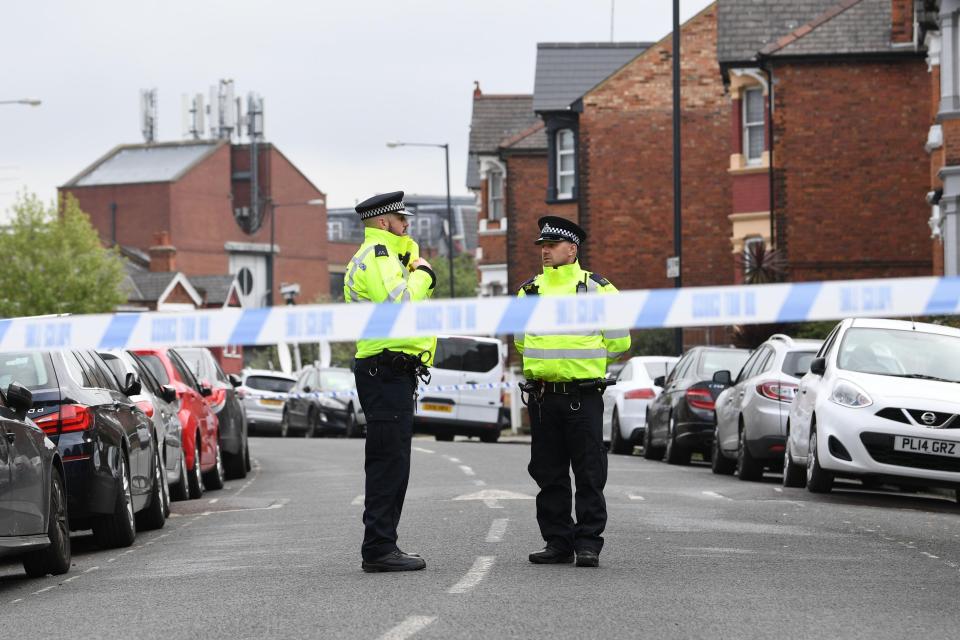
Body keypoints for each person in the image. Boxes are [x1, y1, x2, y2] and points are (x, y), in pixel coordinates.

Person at [516, 216, 630, 568]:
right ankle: (558, 542)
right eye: (542, 246)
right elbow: (521, 342)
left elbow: (619, 342)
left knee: (589, 472)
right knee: (548, 473)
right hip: (543, 397)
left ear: (572, 249)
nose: (545, 251)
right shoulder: (529, 291)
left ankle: (588, 544)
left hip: (583, 396)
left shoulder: (598, 289)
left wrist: (580, 365)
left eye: (551, 245)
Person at [343, 190, 437, 573]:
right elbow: (399, 305)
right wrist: (425, 278)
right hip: (385, 370)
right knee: (388, 462)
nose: (407, 224)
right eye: (401, 219)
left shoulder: (383, 256)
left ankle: (383, 543)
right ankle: (379, 548)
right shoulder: (379, 257)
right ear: (383, 222)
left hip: (389, 370)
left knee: (392, 460)